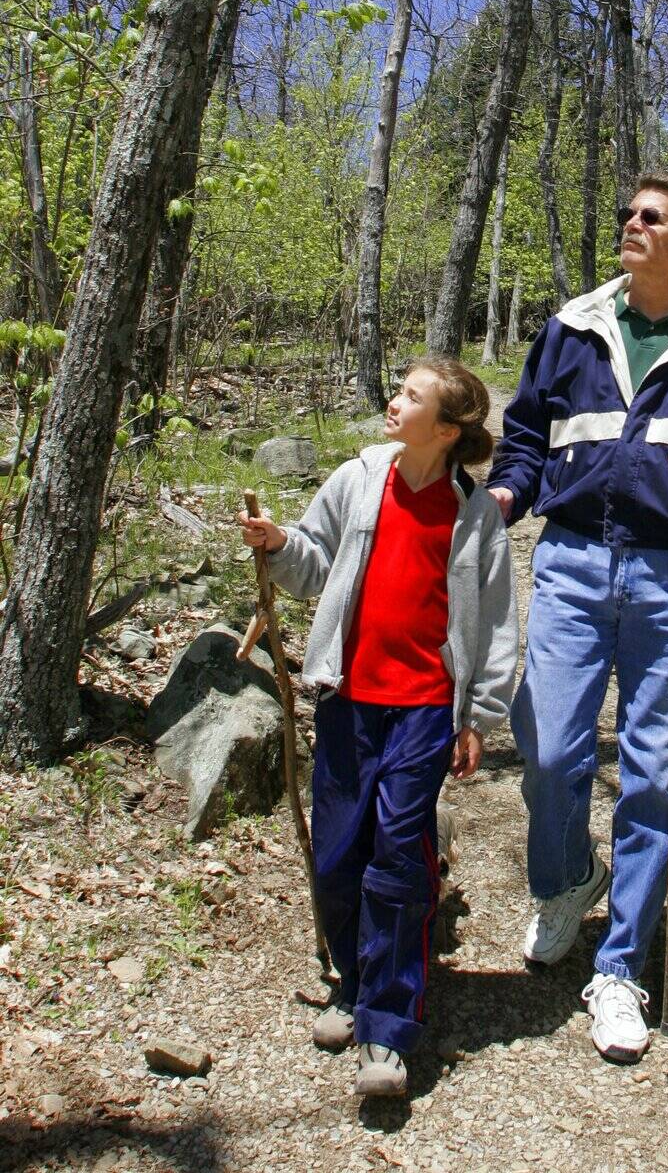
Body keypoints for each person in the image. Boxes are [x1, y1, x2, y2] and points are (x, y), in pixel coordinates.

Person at [488, 171, 668, 1062]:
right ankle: (568, 878)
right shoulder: (572, 327)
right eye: (627, 214)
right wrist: (505, 495)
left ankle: (621, 968)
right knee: (547, 749)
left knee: (655, 775)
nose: (631, 224)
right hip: (571, 560)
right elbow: (527, 434)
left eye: (651, 217)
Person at [238, 359, 517, 1100]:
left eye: (411, 397)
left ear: (447, 430)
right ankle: (355, 982)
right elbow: (312, 564)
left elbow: (494, 626)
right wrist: (277, 542)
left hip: (425, 709)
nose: (394, 403)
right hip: (348, 699)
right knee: (337, 854)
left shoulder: (474, 515)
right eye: (398, 390)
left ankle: (389, 1027)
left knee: (398, 858)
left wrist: (479, 716)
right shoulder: (359, 480)